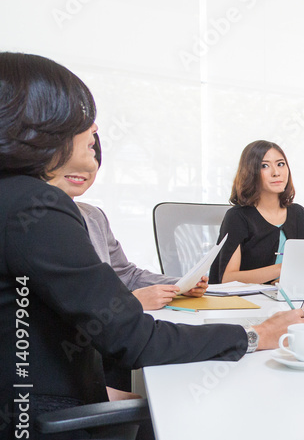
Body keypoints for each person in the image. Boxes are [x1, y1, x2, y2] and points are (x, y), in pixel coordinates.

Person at [0, 53, 304, 440]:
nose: (92, 151)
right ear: (41, 126)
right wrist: (255, 336)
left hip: (29, 420)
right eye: (85, 134)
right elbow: (133, 339)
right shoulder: (37, 206)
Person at [47, 133, 207, 311]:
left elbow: (126, 275)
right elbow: (63, 299)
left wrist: (180, 285)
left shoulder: (94, 216)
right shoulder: (36, 221)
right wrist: (130, 301)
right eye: (70, 158)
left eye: (93, 159)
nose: (85, 167)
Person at [209, 140, 304, 285]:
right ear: (250, 172)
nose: (276, 173)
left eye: (280, 164)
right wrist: (282, 269)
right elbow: (228, 278)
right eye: (264, 166)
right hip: (246, 303)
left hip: (286, 298)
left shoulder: (297, 213)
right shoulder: (238, 216)